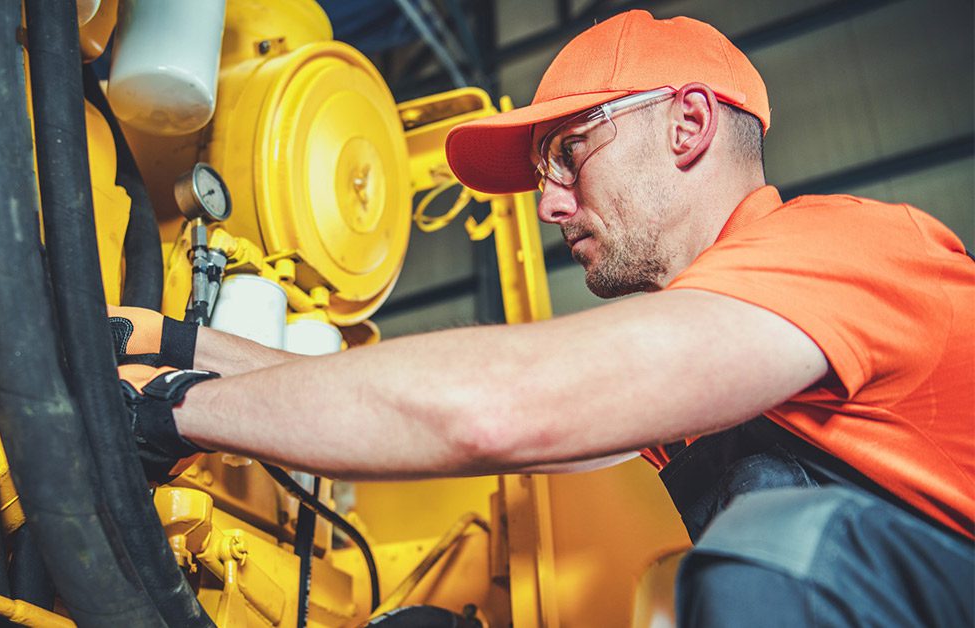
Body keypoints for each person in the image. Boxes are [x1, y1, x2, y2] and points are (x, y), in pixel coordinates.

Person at [112, 10, 974, 626]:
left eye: (568, 153)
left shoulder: (852, 249)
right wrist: (176, 345)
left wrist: (173, 410)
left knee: (785, 542)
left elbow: (501, 406)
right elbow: (443, 399)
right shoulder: (707, 359)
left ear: (689, 123)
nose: (550, 204)